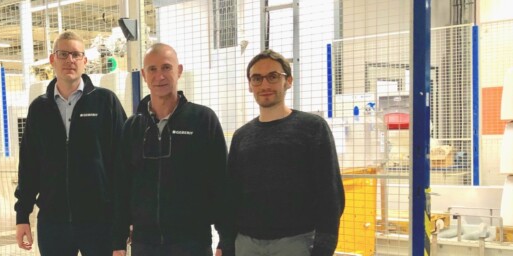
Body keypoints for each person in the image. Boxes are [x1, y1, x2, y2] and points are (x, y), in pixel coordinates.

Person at [112, 43, 232, 256]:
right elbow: (121, 186)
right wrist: (118, 239)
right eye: (152, 69)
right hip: (144, 244)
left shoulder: (203, 120)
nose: (160, 76)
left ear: (179, 70)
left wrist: (226, 238)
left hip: (192, 242)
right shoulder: (132, 127)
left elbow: (221, 181)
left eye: (166, 67)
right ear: (144, 75)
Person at [14, 31, 127, 256]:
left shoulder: (106, 102)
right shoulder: (39, 108)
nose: (70, 60)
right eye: (63, 54)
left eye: (76, 55)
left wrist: (123, 222)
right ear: (52, 59)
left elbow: (122, 164)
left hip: (99, 222)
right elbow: (29, 165)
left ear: (85, 61)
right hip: (53, 223)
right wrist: (22, 214)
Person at [226, 49, 345, 256]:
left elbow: (330, 191)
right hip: (246, 243)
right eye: (257, 78)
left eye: (273, 76)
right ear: (250, 85)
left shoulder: (312, 128)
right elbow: (231, 194)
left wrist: (325, 246)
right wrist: (228, 242)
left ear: (288, 81)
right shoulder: (241, 136)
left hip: (296, 242)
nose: (264, 85)